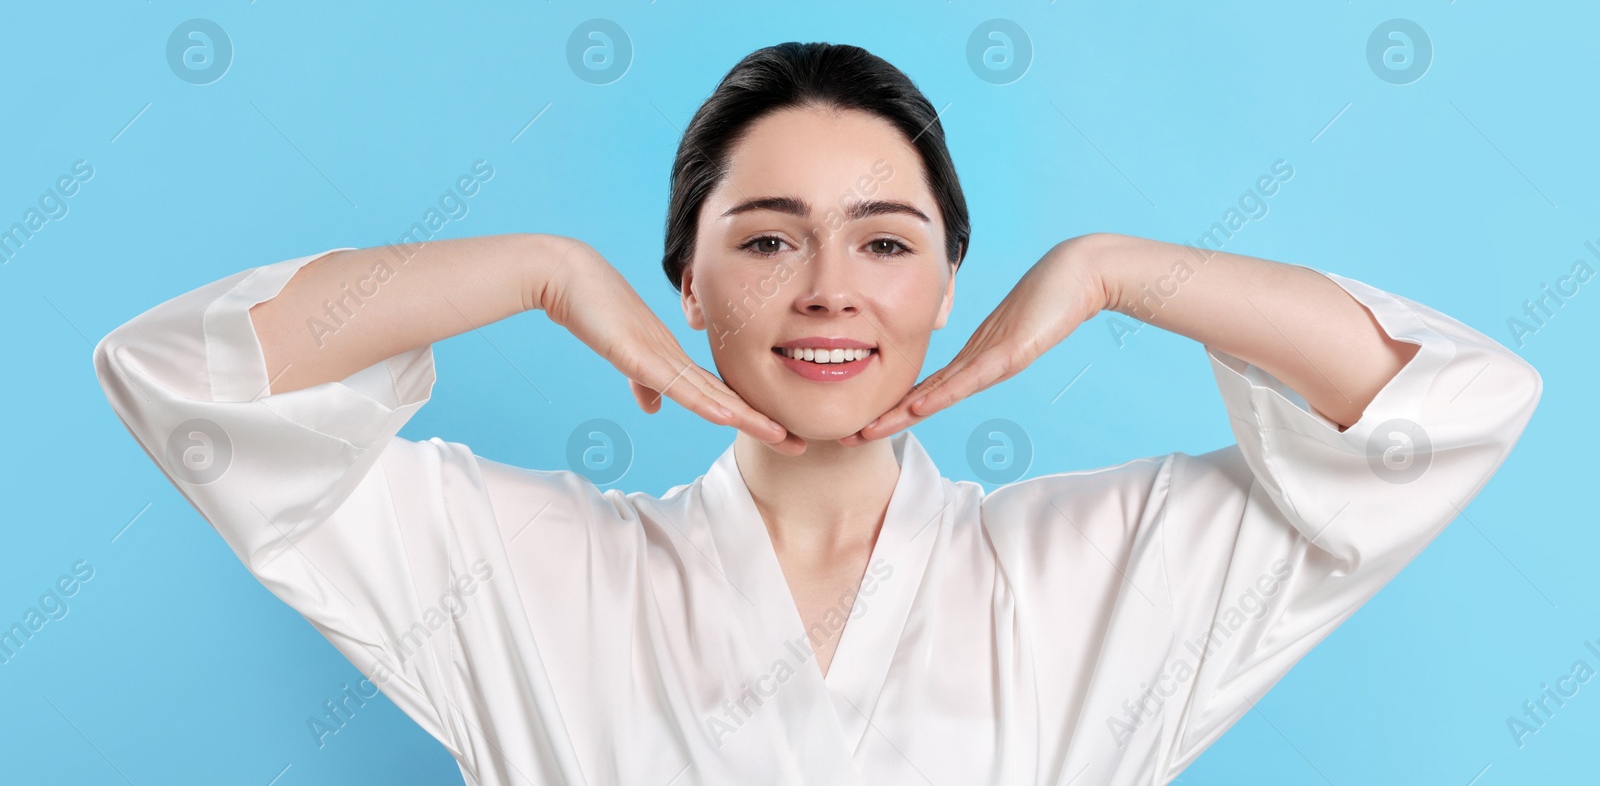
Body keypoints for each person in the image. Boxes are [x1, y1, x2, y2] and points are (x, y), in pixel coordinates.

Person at [93, 42, 1542, 785]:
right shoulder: (519, 571)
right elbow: (185, 382)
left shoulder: (1108, 569)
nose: (830, 290)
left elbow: (1452, 408)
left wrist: (1120, 273)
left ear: (954, 280)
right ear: (687, 286)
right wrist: (533, 271)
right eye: (769, 238)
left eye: (889, 241)